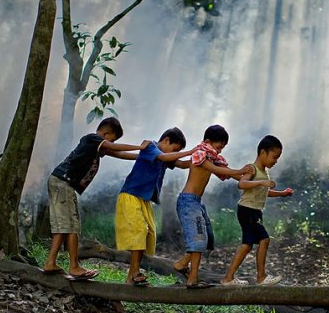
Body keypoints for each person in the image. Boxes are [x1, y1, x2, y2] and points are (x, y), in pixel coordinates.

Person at [41, 117, 149, 280]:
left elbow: (116, 152)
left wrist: (142, 157)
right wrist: (140, 147)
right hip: (63, 182)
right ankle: (74, 267)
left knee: (65, 226)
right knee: (72, 227)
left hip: (61, 182)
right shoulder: (92, 139)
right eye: (111, 139)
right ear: (105, 134)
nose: (110, 145)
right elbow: (113, 147)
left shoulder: (96, 146)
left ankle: (50, 263)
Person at [172, 124, 253, 289]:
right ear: (208, 142)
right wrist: (240, 170)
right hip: (188, 201)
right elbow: (214, 168)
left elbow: (225, 171)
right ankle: (192, 278)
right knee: (198, 238)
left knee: (207, 237)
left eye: (222, 148)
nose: (220, 151)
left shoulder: (211, 158)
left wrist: (249, 179)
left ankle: (182, 264)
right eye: (219, 146)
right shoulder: (200, 155)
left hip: (196, 202)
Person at [115, 127, 193, 286]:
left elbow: (184, 165)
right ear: (166, 141)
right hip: (131, 195)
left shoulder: (166, 155)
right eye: (175, 148)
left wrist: (202, 156)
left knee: (149, 233)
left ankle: (133, 274)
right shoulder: (151, 146)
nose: (175, 152)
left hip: (144, 200)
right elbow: (164, 157)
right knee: (139, 229)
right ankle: (134, 273)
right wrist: (190, 151)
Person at [220, 135, 293, 286]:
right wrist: (262, 182)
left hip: (254, 211)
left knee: (247, 245)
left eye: (277, 158)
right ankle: (261, 277)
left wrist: (281, 193)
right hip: (247, 210)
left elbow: (263, 191)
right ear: (262, 152)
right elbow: (242, 183)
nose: (275, 161)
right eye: (274, 157)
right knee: (264, 239)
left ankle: (228, 278)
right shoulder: (252, 169)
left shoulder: (264, 172)